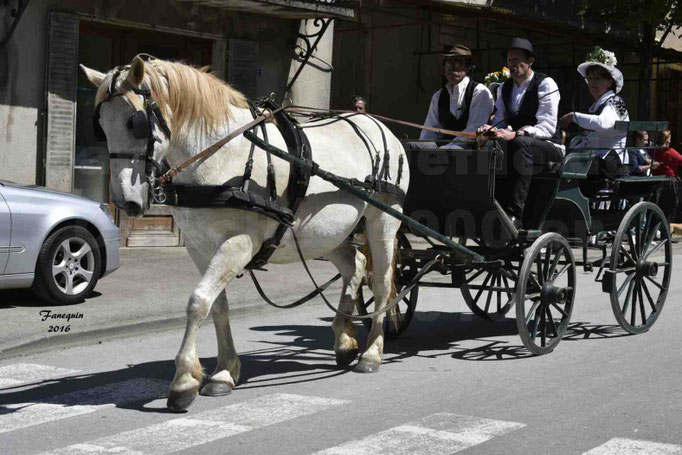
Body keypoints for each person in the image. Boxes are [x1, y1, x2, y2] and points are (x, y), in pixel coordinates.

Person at [478, 38, 563, 228]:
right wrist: (490, 130)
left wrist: (517, 134)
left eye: (517, 60)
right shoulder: (504, 88)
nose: (513, 64)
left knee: (519, 144)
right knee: (485, 145)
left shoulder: (545, 84)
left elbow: (548, 127)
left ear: (530, 61)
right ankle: (488, 206)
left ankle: (514, 213)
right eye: (510, 60)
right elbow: (501, 119)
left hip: (549, 146)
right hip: (519, 144)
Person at [559, 47, 630, 180]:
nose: (592, 83)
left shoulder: (615, 102)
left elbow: (604, 123)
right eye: (590, 79)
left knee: (567, 169)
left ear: (609, 82)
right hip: (594, 159)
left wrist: (573, 116)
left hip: (609, 163)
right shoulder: (598, 105)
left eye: (597, 79)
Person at [416, 44, 494, 150]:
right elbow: (429, 130)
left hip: (469, 148)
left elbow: (475, 128)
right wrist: (419, 149)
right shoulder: (438, 96)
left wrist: (448, 147)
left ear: (468, 68)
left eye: (457, 62)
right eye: (448, 62)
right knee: (412, 147)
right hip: (443, 147)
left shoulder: (479, 91)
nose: (451, 66)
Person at [652, 129, 682, 225]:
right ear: (665, 140)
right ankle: (665, 233)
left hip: (656, 182)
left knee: (657, 207)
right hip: (669, 183)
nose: (670, 141)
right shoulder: (670, 152)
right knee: (668, 209)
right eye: (669, 139)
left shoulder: (653, 150)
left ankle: (655, 231)